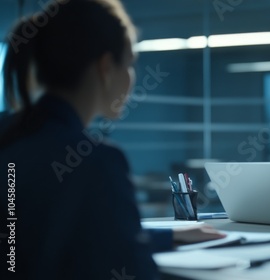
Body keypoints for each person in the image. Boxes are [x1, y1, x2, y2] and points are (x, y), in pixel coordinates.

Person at [0, 1, 224, 279]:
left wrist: (166, 237)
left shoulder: (11, 133)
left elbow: (38, 238)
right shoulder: (96, 162)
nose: (132, 78)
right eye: (129, 64)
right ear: (105, 66)